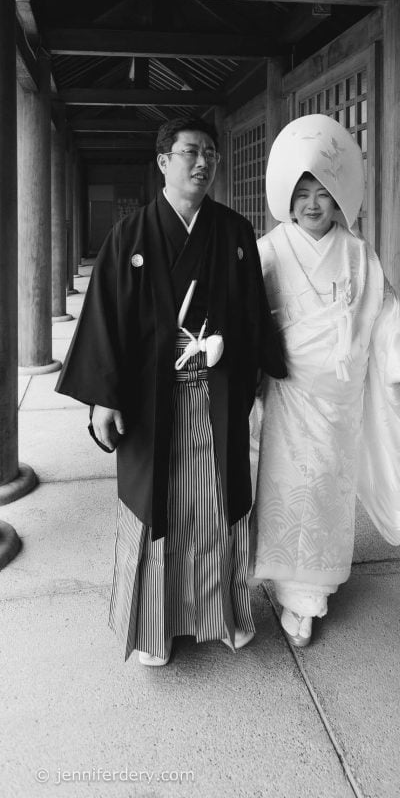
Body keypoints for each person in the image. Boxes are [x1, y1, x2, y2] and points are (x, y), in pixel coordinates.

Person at [55, 116, 286, 666]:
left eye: (210, 153)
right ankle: (154, 629)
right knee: (157, 509)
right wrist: (104, 397)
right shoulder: (130, 236)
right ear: (163, 161)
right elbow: (105, 321)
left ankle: (222, 616)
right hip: (149, 402)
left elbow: (253, 311)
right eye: (189, 152)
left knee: (213, 505)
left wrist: (254, 366)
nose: (202, 162)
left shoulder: (233, 233)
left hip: (216, 397)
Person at [250, 113, 400, 648]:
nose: (313, 203)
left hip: (341, 397)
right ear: (288, 196)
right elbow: (242, 313)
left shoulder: (359, 253)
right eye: (303, 191)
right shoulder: (269, 251)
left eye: (324, 192)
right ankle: (295, 595)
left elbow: (384, 313)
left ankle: (316, 588)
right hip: (289, 393)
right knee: (290, 489)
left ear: (339, 198)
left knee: (329, 492)